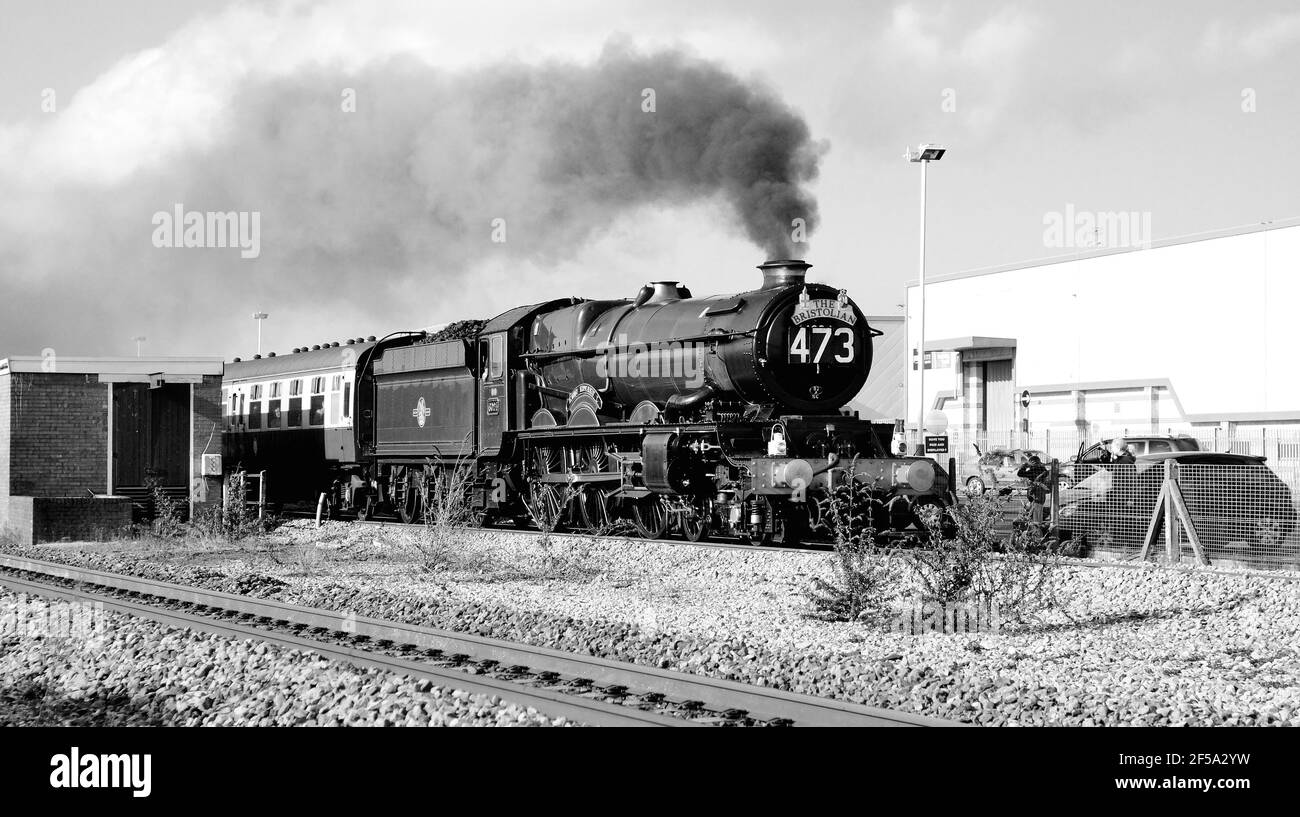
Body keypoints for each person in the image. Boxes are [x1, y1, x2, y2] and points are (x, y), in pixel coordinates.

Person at [1016, 454, 1050, 524]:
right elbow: (1046, 472)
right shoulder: (1042, 470)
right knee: (1038, 511)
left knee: (1035, 512)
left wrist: (1024, 467)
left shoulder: (1032, 471)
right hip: (1041, 494)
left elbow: (1020, 474)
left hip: (1034, 494)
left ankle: (1035, 527)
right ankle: (1037, 525)